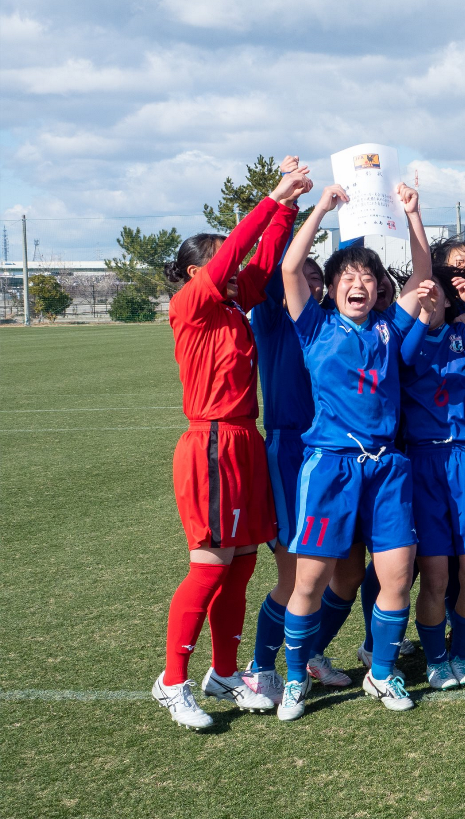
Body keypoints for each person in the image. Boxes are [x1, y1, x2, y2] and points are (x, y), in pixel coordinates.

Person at [153, 158, 312, 729]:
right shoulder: (192, 304)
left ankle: (222, 673)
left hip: (244, 440)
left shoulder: (232, 302)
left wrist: (290, 206)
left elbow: (263, 262)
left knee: (242, 566)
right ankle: (172, 681)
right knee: (209, 566)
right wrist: (270, 198)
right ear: (196, 270)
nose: (231, 268)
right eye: (218, 262)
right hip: (211, 443)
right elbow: (234, 255)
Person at [276, 181, 432, 720]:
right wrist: (320, 207)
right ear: (334, 289)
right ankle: (296, 678)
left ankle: (382, 674)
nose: (359, 283)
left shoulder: (390, 329)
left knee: (394, 576)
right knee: (310, 581)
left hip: (387, 468)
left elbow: (422, 277)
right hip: (330, 468)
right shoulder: (314, 327)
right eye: (347, 276)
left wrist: (413, 214)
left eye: (367, 276)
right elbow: (291, 269)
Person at [245, 230, 353, 702]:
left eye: (317, 275)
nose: (309, 278)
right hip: (292, 451)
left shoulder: (331, 324)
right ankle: (260, 667)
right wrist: (295, 207)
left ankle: (308, 651)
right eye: (300, 272)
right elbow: (278, 268)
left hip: (337, 454)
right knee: (294, 576)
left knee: (346, 574)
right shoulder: (273, 318)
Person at [400, 264, 465, 689]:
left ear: (448, 297)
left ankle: (461, 654)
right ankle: (437, 659)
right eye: (424, 293)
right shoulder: (410, 338)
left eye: (438, 293)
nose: (432, 299)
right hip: (426, 463)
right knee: (436, 576)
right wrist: (422, 318)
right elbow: (404, 363)